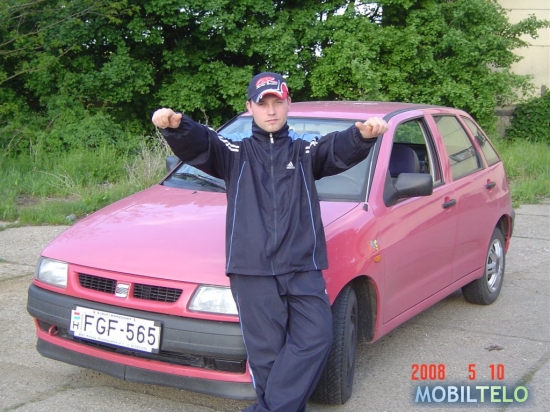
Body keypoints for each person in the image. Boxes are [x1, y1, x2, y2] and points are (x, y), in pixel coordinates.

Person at [151, 72, 388, 412]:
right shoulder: (235, 153)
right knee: (267, 357)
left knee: (317, 336)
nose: (272, 110)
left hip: (302, 266)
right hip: (253, 270)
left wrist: (361, 136)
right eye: (263, 104)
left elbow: (335, 149)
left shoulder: (304, 151)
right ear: (250, 108)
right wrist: (177, 127)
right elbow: (204, 144)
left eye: (278, 102)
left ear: (288, 104)